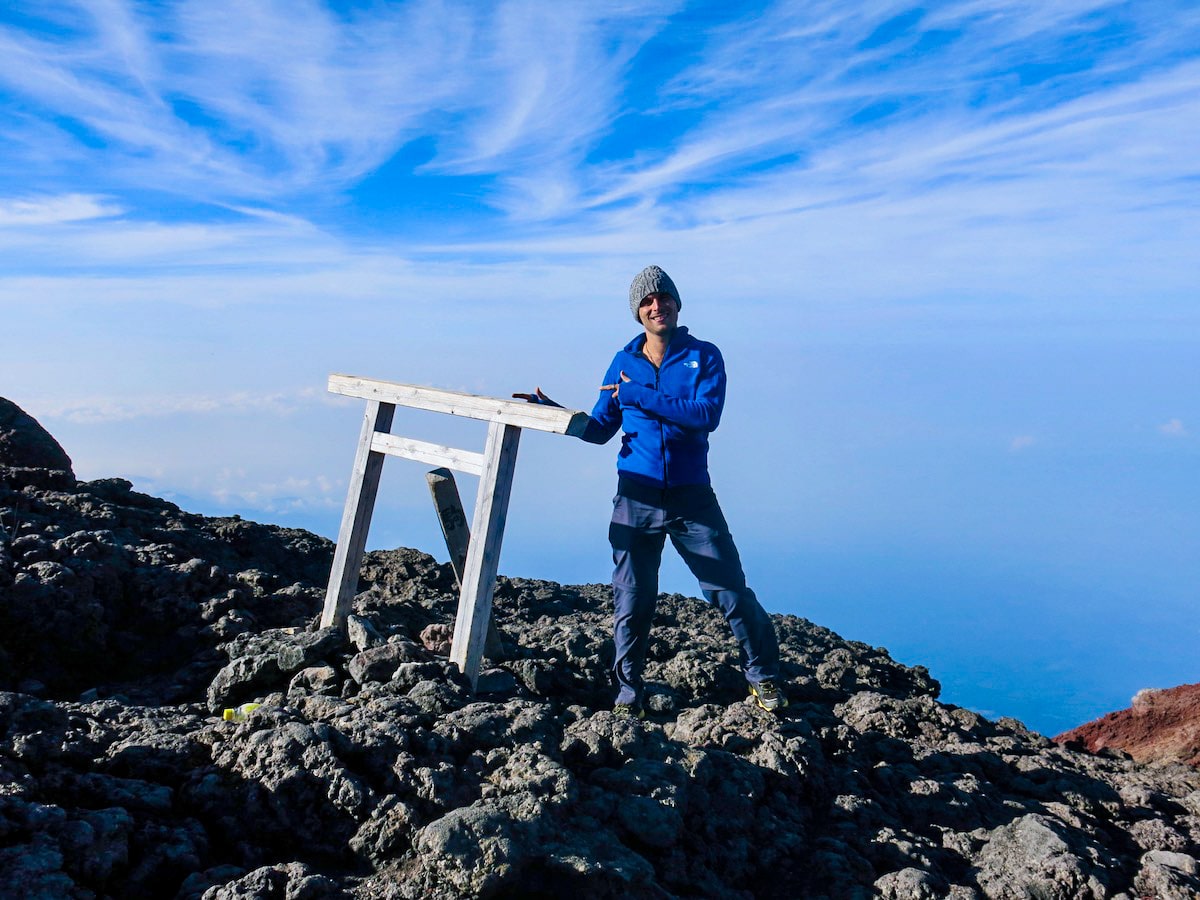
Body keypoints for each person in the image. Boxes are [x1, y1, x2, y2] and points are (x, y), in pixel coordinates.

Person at [515, 265, 786, 717]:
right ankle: (627, 694)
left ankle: (764, 679)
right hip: (634, 497)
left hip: (691, 497)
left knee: (730, 592)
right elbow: (600, 428)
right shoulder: (623, 362)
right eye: (646, 301)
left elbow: (704, 415)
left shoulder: (704, 355)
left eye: (663, 298)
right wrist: (553, 413)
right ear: (637, 312)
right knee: (632, 600)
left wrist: (638, 395)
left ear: (678, 304)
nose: (656, 305)